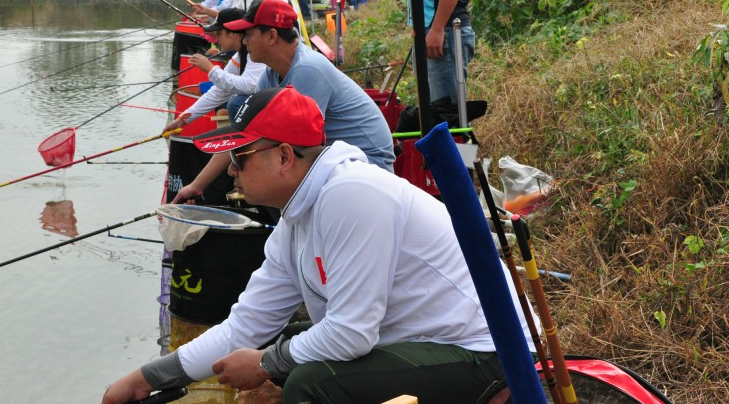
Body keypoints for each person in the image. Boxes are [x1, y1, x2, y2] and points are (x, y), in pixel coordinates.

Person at [102, 86, 534, 404]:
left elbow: (351, 333)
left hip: (493, 354)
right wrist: (145, 377)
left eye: (239, 157)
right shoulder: (295, 218)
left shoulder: (353, 194)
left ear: (285, 156)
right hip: (424, 344)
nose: (230, 172)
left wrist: (266, 364)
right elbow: (243, 328)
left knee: (309, 381)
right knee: (292, 338)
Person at [173, 0, 395, 205]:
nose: (245, 41)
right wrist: (197, 185)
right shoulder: (271, 73)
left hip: (368, 165)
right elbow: (245, 133)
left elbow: (302, 148)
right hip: (332, 160)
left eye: (249, 34)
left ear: (271, 36)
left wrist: (245, 171)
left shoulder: (307, 70)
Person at [164, 8, 265, 132]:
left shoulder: (256, 52)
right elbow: (219, 91)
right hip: (263, 105)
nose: (216, 40)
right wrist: (181, 120)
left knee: (235, 102)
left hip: (273, 108)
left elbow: (250, 86)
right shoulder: (239, 56)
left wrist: (210, 69)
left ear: (233, 33)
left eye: (219, 34)